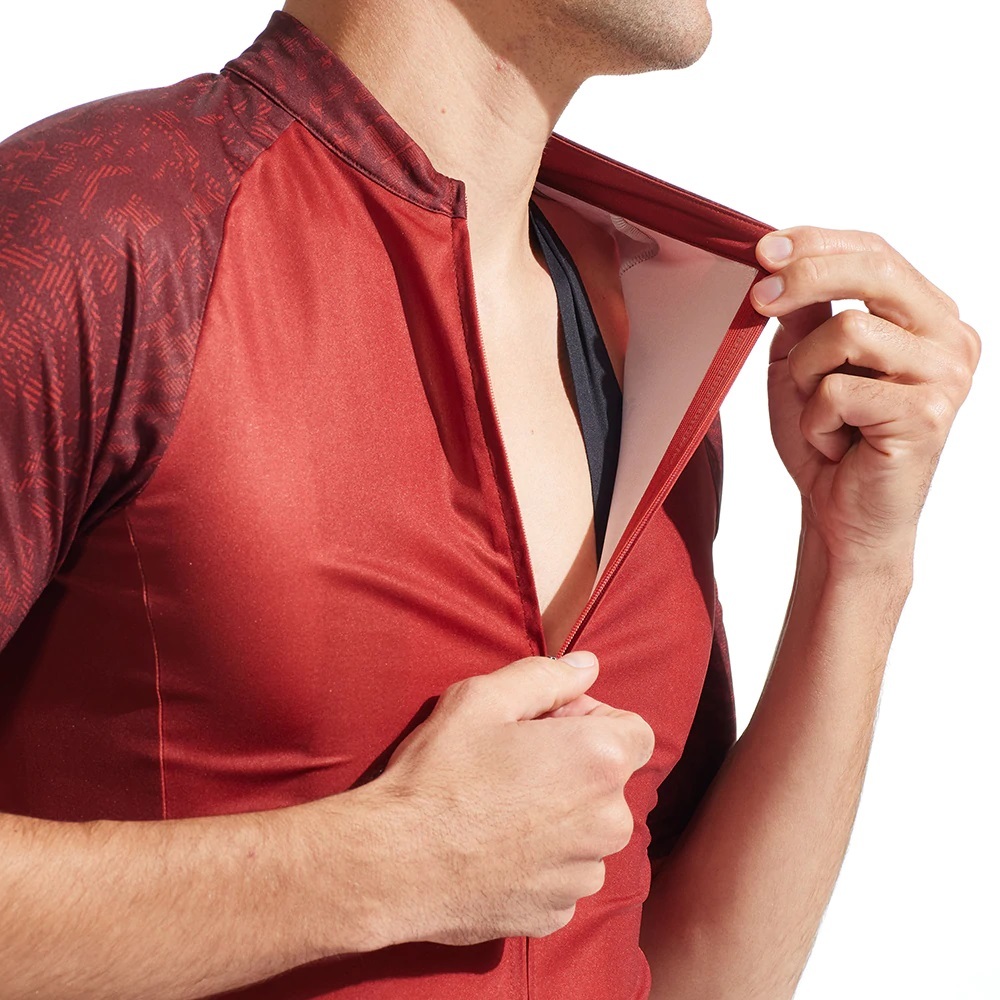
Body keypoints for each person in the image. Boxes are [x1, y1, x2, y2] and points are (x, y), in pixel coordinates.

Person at [0, 1, 979, 998]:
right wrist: (382, 865)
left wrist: (859, 563)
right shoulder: (94, 229)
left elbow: (674, 971)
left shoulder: (647, 329)